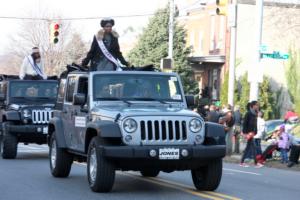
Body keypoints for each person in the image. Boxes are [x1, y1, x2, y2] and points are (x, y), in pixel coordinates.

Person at [240, 101, 263, 168]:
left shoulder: (255, 113)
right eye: (257, 105)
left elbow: (254, 124)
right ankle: (255, 163)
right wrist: (245, 133)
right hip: (248, 133)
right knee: (253, 148)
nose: (258, 106)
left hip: (252, 133)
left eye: (258, 105)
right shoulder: (248, 113)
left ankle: (243, 162)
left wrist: (255, 132)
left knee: (250, 148)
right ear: (253, 106)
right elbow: (244, 124)